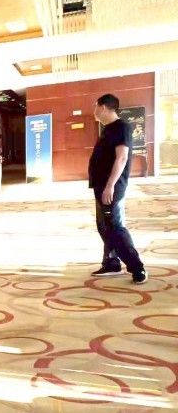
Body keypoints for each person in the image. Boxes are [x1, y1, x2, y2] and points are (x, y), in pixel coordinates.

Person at [88, 94, 147, 284]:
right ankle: (111, 263)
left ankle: (137, 267)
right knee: (104, 226)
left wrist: (110, 185)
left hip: (111, 187)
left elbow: (122, 158)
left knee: (114, 227)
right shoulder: (108, 129)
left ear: (103, 107)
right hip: (102, 186)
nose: (94, 110)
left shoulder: (121, 127)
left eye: (95, 106)